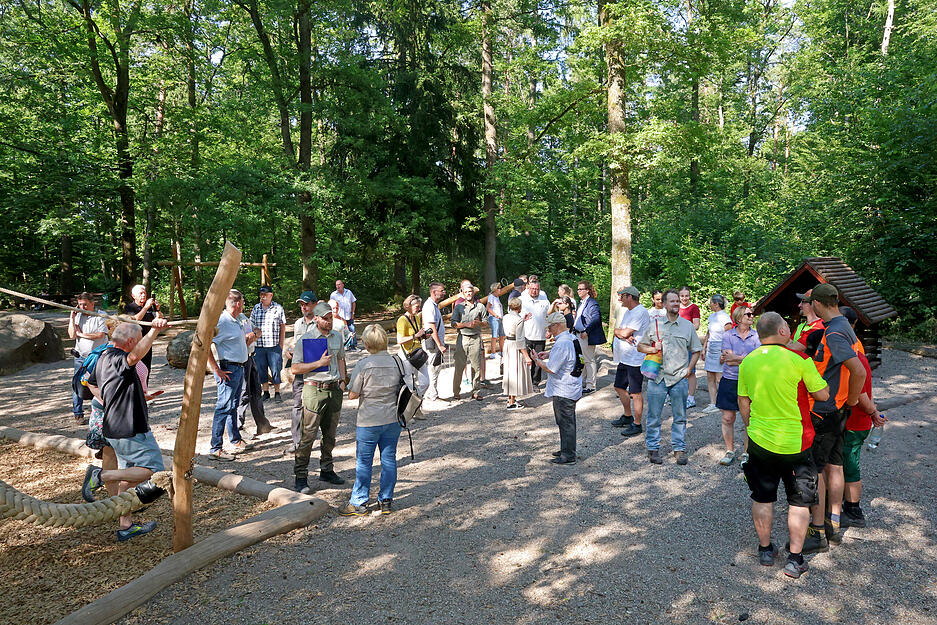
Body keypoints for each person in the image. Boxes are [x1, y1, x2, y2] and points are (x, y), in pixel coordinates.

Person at [737, 311, 830, 578]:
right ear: (781, 332)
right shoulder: (799, 360)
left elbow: (744, 401)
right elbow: (822, 394)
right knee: (799, 502)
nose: (790, 329)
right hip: (796, 443)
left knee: (762, 496)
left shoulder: (748, 362)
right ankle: (795, 559)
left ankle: (765, 550)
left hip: (759, 441)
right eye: (788, 327)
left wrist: (750, 427)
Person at [82, 319, 169, 541]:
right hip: (129, 428)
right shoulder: (119, 357)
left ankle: (126, 524)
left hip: (115, 427)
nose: (140, 344)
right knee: (154, 469)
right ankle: (100, 475)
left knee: (129, 479)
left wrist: (139, 395)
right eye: (138, 340)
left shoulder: (102, 357)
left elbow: (101, 384)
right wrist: (155, 331)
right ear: (130, 341)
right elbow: (134, 357)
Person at [802, 283, 866, 552]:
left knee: (816, 469)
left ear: (817, 304)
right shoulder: (843, 325)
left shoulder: (835, 333)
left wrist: (851, 400)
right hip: (836, 411)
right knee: (835, 464)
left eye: (808, 302)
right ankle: (834, 524)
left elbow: (859, 371)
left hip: (825, 411)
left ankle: (817, 532)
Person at [341, 325, 403, 516]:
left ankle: (359, 502)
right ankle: (386, 500)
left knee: (364, 462)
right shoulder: (397, 361)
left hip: (369, 419)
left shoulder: (364, 364)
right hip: (392, 417)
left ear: (367, 343)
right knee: (389, 459)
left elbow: (353, 394)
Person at [638, 289, 702, 465]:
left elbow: (696, 350)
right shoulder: (655, 325)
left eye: (677, 301)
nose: (675, 304)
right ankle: (653, 448)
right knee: (654, 416)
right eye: (672, 301)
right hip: (657, 378)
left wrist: (689, 369)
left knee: (680, 416)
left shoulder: (687, 326)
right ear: (664, 304)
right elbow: (640, 346)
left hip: (679, 378)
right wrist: (652, 349)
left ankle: (679, 449)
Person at [291, 301, 348, 492]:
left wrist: (342, 380)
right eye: (325, 318)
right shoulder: (306, 339)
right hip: (314, 389)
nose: (330, 321)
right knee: (308, 436)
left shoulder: (337, 337)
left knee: (330, 435)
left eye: (331, 317)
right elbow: (295, 368)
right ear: (316, 319)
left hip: (334, 389)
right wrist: (318, 363)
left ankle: (327, 470)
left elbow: (341, 358)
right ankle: (300, 476)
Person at [838, 306, 887, 530]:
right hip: (854, 420)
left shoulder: (852, 356)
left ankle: (854, 510)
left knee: (850, 464)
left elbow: (861, 394)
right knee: (846, 462)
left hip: (855, 422)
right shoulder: (853, 350)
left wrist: (873, 412)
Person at [205, 290, 254, 461]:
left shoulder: (237, 320)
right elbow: (205, 344)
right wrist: (215, 368)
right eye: (242, 302)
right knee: (223, 407)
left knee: (233, 404)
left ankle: (235, 439)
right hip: (228, 369)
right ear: (237, 303)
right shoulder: (222, 321)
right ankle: (215, 448)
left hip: (239, 368)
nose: (243, 305)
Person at [532, 311, 582, 465]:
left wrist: (537, 361)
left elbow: (551, 369)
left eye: (550, 327)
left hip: (563, 388)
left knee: (565, 421)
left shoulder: (562, 343)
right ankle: (566, 448)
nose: (548, 331)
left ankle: (568, 455)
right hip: (570, 385)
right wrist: (548, 354)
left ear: (557, 325)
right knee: (565, 421)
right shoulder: (571, 338)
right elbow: (569, 356)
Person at [716, 305, 760, 465]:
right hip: (730, 380)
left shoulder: (757, 336)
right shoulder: (728, 335)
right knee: (727, 418)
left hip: (750, 381)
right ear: (739, 318)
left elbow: (757, 360)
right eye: (748, 314)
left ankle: (747, 453)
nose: (752, 316)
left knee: (748, 419)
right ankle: (729, 451)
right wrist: (746, 358)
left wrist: (737, 358)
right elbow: (727, 359)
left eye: (752, 314)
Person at [611, 286, 649, 437]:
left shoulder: (640, 312)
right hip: (625, 357)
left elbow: (625, 331)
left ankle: (637, 424)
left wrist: (622, 333)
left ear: (630, 297)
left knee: (636, 392)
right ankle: (628, 416)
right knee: (619, 387)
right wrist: (622, 334)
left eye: (622, 296)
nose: (620, 298)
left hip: (636, 358)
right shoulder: (628, 312)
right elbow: (618, 330)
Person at [69, 292, 109, 424]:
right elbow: (71, 335)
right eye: (80, 304)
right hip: (81, 357)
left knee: (100, 384)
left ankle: (101, 411)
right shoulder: (78, 316)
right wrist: (71, 318)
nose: (82, 307)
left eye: (85, 304)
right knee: (78, 384)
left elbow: (100, 335)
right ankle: (78, 413)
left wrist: (82, 334)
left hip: (98, 356)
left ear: (92, 304)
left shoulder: (100, 315)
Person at [236, 304, 275, 439]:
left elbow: (257, 331)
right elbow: (242, 341)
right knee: (243, 393)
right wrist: (252, 336)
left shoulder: (243, 317)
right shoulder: (229, 320)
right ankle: (239, 428)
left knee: (256, 392)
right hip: (240, 360)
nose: (242, 304)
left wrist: (252, 335)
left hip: (251, 357)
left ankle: (262, 424)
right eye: (240, 301)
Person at [286, 291, 317, 453]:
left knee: (315, 406)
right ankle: (296, 441)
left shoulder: (320, 322)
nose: (303, 307)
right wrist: (289, 351)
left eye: (306, 304)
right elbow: (296, 343)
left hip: (316, 370)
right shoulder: (298, 323)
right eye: (301, 304)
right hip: (299, 369)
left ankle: (311, 440)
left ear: (314, 304)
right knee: (297, 404)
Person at [451, 280, 489, 401]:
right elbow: (453, 324)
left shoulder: (480, 306)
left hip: (476, 338)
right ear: (463, 293)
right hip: (462, 338)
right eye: (466, 292)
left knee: (476, 367)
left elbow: (486, 323)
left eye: (470, 291)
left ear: (473, 293)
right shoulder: (459, 307)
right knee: (459, 366)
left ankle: (476, 391)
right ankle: (456, 391)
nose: (468, 294)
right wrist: (467, 324)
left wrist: (479, 323)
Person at [250, 285, 286, 402]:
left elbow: (282, 326)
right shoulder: (256, 308)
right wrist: (255, 332)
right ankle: (265, 392)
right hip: (259, 345)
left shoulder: (278, 308)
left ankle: (277, 392)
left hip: (273, 345)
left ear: (271, 295)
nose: (262, 297)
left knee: (276, 369)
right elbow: (251, 325)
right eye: (261, 295)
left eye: (265, 295)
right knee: (261, 369)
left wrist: (281, 344)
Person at [123, 284, 162, 381]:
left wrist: (157, 309)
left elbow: (159, 318)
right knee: (135, 370)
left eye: (144, 293)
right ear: (133, 296)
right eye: (140, 293)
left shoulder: (149, 307)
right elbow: (134, 319)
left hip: (147, 342)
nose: (143, 295)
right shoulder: (129, 307)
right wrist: (145, 307)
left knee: (146, 370)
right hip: (134, 344)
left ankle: (144, 392)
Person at [396, 294, 432, 399]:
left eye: (419, 306)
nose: (419, 308)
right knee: (409, 384)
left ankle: (416, 399)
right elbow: (400, 340)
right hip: (406, 355)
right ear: (409, 306)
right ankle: (412, 406)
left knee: (425, 382)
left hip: (417, 353)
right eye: (417, 306)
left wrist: (424, 336)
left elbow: (418, 336)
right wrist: (415, 335)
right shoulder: (402, 320)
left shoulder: (416, 317)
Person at [701, 294, 732, 414]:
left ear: (716, 304)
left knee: (720, 377)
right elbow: (708, 333)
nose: (709, 305)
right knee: (710, 376)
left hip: (720, 347)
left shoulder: (725, 318)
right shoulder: (711, 316)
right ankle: (713, 403)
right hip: (711, 346)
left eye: (711, 303)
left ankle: (726, 401)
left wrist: (724, 353)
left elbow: (728, 336)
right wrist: (704, 348)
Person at [572, 281, 605, 394]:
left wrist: (587, 331)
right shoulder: (582, 303)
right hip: (578, 334)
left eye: (581, 289)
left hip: (586, 335)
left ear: (587, 290)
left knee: (589, 360)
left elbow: (596, 319)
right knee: (582, 359)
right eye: (578, 289)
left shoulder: (592, 303)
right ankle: (583, 382)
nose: (579, 291)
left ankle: (591, 385)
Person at [502, 297, 534, 410]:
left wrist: (522, 320)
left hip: (507, 344)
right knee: (515, 373)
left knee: (509, 372)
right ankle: (511, 402)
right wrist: (526, 356)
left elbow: (512, 327)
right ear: (519, 307)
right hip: (515, 346)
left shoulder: (505, 317)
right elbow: (520, 339)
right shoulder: (518, 320)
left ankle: (510, 398)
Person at [421, 282, 448, 402]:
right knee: (433, 368)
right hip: (432, 343)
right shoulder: (429, 306)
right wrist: (440, 345)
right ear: (434, 292)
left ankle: (432, 393)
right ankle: (432, 395)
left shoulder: (434, 305)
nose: (444, 293)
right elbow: (431, 327)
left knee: (435, 368)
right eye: (441, 291)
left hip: (436, 342)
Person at [521, 277, 551, 385]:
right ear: (528, 287)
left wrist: (549, 330)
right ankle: (525, 381)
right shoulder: (523, 300)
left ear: (540, 289)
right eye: (532, 289)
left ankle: (535, 382)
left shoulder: (545, 301)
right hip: (526, 335)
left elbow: (550, 316)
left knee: (538, 360)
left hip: (540, 336)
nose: (534, 291)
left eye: (537, 289)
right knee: (525, 359)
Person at [677, 286, 701, 408]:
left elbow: (696, 325)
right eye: (682, 296)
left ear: (689, 296)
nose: (684, 298)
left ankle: (691, 398)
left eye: (686, 295)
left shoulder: (694, 308)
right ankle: (678, 396)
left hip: (688, 342)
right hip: (676, 343)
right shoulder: (675, 307)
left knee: (690, 371)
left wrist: (681, 327)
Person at [330, 279, 358, 350]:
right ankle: (343, 346)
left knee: (352, 329)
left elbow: (353, 302)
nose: (338, 286)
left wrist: (353, 312)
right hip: (339, 318)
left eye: (339, 284)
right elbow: (330, 305)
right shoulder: (333, 295)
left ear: (343, 285)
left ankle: (353, 346)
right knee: (340, 332)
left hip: (348, 316)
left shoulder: (349, 292)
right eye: (336, 285)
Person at [486, 283, 505, 358]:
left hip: (500, 318)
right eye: (498, 288)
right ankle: (493, 353)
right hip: (494, 318)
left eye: (500, 288)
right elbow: (488, 308)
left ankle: (501, 351)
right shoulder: (491, 297)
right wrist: (495, 315)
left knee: (502, 335)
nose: (500, 289)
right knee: (495, 335)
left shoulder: (497, 297)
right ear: (495, 289)